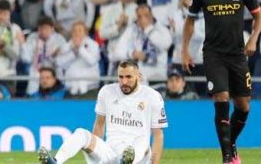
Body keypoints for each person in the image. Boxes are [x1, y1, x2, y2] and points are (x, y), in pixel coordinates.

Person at [184, 0, 261, 164]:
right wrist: (184, 50)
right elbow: (189, 21)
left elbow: (258, 16)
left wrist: (253, 39)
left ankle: (231, 144)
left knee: (243, 105)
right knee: (221, 98)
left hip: (237, 54)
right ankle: (227, 157)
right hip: (213, 54)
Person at [38, 60, 167, 164]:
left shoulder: (152, 97)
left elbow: (158, 135)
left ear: (139, 76)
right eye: (121, 77)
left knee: (143, 142)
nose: (124, 82)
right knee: (81, 133)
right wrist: (95, 150)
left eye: (129, 77)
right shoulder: (107, 92)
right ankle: (56, 161)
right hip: (110, 153)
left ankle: (125, 161)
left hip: (138, 157)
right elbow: (99, 124)